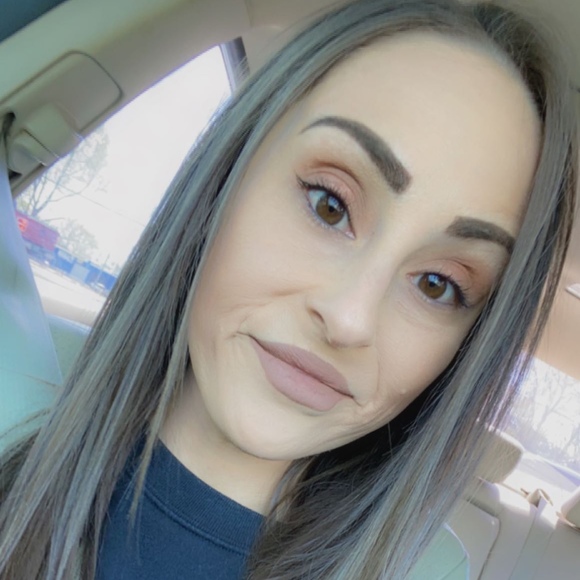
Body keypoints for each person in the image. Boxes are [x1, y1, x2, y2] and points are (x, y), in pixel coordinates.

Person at [0, 0, 577, 578]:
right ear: (229, 171)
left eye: (437, 284)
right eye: (329, 205)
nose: (349, 317)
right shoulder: (11, 388)